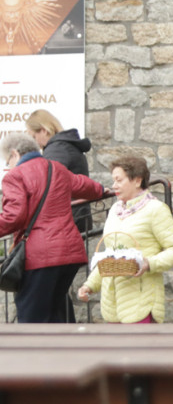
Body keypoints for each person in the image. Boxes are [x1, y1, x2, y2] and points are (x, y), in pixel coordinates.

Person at [77, 156, 173, 404]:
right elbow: (108, 256)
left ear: (137, 180)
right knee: (118, 367)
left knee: (137, 366)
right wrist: (90, 284)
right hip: (113, 304)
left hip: (141, 301)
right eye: (113, 179)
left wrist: (148, 263)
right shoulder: (115, 210)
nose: (113, 185)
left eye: (118, 179)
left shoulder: (155, 210)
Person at [0, 132, 104, 323]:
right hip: (69, 254)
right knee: (58, 314)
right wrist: (103, 190)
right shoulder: (56, 168)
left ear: (14, 154)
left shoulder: (15, 176)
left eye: (8, 161)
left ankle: (37, 353)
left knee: (32, 319)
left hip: (40, 256)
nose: (9, 166)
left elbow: (13, 216)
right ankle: (68, 351)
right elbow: (89, 187)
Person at [26, 109, 93, 234]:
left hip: (65, 220)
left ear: (44, 130)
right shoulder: (65, 146)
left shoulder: (56, 150)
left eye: (34, 137)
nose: (34, 142)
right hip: (77, 215)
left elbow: (47, 184)